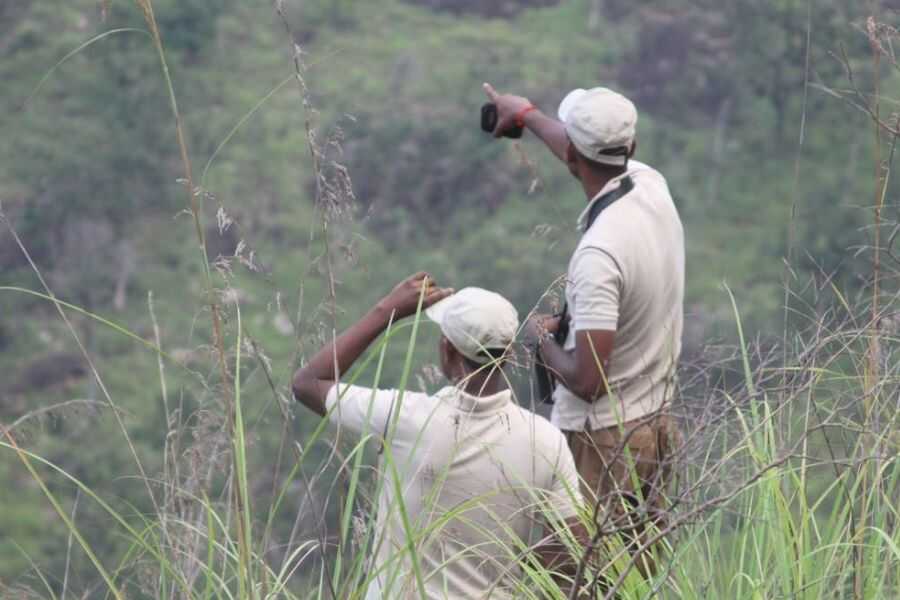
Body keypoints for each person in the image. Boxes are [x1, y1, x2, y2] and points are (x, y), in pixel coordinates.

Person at [483, 83, 684, 572]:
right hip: (653, 425)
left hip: (603, 444)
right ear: (630, 149)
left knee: (564, 578)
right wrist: (526, 115)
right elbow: (578, 151)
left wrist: (544, 340)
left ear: (575, 154)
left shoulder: (599, 255)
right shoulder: (650, 186)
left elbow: (588, 380)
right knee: (631, 575)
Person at [292, 272, 585, 599]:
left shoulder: (405, 420)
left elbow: (308, 383)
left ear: (447, 351)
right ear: (508, 354)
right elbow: (570, 560)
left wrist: (386, 310)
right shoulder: (545, 441)